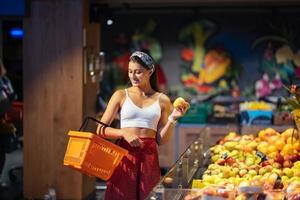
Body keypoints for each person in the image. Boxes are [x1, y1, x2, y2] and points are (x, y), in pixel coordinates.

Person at [96, 51, 188, 200]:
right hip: (124, 154)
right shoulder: (120, 95)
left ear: (150, 71)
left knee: (148, 196)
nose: (133, 76)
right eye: (130, 71)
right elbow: (100, 129)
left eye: (138, 72)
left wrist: (172, 119)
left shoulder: (162, 99)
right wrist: (123, 133)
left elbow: (161, 140)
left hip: (149, 157)